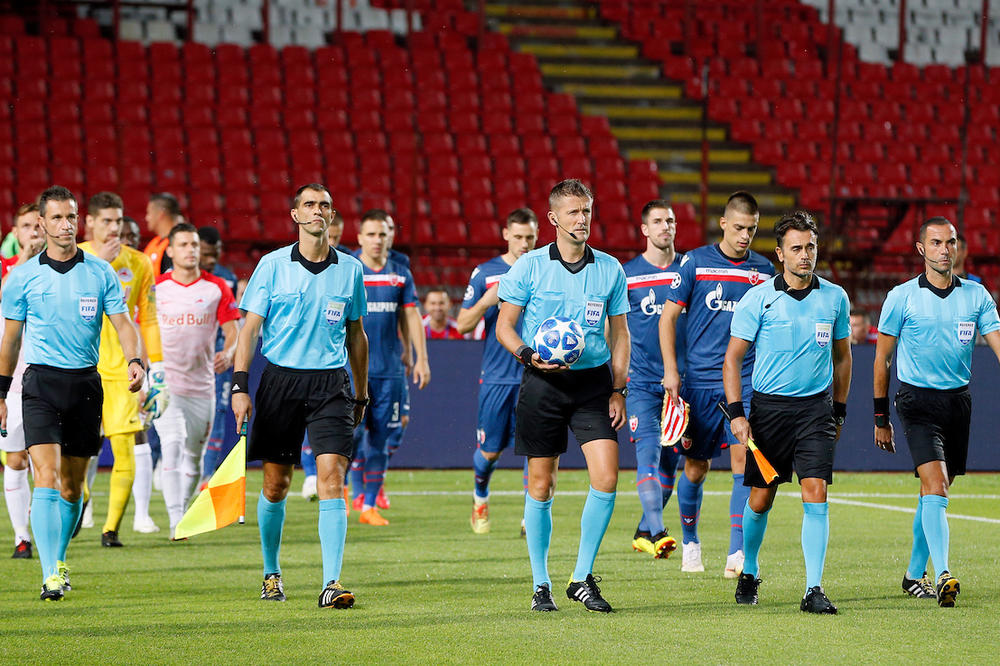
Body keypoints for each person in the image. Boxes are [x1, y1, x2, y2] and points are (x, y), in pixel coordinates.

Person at [0, 185, 145, 601]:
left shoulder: (100, 272)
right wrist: (1, 392)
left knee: (72, 486)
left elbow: (123, 324)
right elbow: (10, 341)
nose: (66, 224)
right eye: (58, 217)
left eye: (72, 216)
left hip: (85, 384)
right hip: (40, 384)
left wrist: (135, 361)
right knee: (44, 476)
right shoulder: (22, 278)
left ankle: (59, 559)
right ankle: (49, 573)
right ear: (41, 224)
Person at [231, 183, 369, 608]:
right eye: (309, 205)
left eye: (324, 205)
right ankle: (271, 573)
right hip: (280, 381)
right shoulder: (271, 266)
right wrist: (239, 386)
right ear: (295, 215)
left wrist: (360, 394)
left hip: (331, 384)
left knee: (332, 478)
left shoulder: (350, 269)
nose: (317, 211)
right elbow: (249, 330)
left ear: (332, 216)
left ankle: (331, 583)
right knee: (276, 485)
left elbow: (356, 335)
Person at [496, 179, 630, 613]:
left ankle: (581, 577)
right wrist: (529, 355)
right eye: (573, 212)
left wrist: (618, 389)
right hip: (543, 384)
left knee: (607, 477)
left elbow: (622, 335)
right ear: (553, 218)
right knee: (542, 483)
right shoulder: (529, 267)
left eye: (587, 211)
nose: (582, 219)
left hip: (593, 383)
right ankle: (541, 583)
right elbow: (504, 326)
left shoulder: (610, 268)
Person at [723, 211, 851, 614]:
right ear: (779, 253)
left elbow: (844, 358)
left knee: (816, 494)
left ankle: (813, 588)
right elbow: (732, 360)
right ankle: (750, 569)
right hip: (769, 411)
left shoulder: (835, 297)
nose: (805, 255)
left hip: (816, 410)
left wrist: (840, 412)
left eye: (810, 247)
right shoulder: (758, 298)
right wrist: (737, 414)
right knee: (760, 499)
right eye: (796, 248)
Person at [873, 216, 1000, 608]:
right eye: (936, 242)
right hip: (916, 402)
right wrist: (881, 418)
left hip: (957, 403)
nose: (945, 249)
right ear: (921, 249)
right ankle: (943, 573)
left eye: (951, 242)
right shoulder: (902, 297)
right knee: (937, 487)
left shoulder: (977, 296)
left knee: (933, 493)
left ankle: (913, 574)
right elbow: (881, 360)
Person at [659, 191, 775, 576]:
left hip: (744, 383)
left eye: (752, 229)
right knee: (695, 467)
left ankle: (737, 553)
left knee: (744, 463)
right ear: (723, 224)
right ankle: (690, 542)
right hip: (699, 384)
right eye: (740, 228)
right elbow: (667, 318)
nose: (745, 236)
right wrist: (672, 370)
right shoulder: (695, 262)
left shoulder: (764, 272)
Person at [79, 192, 167, 547]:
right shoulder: (76, 257)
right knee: (78, 451)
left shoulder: (140, 262)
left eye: (118, 221)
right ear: (91, 223)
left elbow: (146, 317)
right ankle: (79, 501)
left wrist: (155, 366)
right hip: (80, 367)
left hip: (121, 372)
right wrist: (101, 261)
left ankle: (110, 528)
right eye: (107, 221)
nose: (114, 228)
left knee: (125, 449)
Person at [457, 208, 538, 534]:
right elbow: (463, 325)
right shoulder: (486, 273)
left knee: (535, 449)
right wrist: (487, 301)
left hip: (534, 375)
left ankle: (529, 516)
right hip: (496, 377)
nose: (524, 244)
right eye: (518, 237)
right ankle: (480, 497)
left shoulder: (543, 270)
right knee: (490, 451)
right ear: (506, 234)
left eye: (530, 237)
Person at [156, 223, 239, 537]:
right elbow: (140, 330)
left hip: (201, 384)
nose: (191, 250)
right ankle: (176, 521)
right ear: (171, 251)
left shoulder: (216, 287)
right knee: (172, 444)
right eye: (184, 245)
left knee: (194, 455)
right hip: (165, 383)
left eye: (193, 245)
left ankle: (183, 508)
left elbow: (233, 330)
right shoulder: (156, 289)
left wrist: (229, 352)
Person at [350, 210, 430, 525]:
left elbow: (411, 315)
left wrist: (420, 357)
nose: (377, 240)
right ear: (359, 238)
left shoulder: (400, 274)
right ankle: (352, 491)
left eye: (382, 234)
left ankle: (369, 504)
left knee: (382, 438)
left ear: (390, 236)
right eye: (370, 234)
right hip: (353, 370)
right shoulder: (349, 271)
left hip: (390, 371)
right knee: (353, 436)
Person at [622, 200, 686, 559]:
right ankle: (659, 531)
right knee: (647, 455)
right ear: (644, 229)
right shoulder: (628, 275)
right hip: (644, 383)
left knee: (669, 465)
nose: (666, 227)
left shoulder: (690, 269)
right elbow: (615, 331)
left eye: (671, 221)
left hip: (682, 386)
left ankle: (645, 532)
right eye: (658, 221)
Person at [0, 203, 45, 558]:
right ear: (16, 233)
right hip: (13, 382)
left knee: (54, 463)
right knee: (15, 460)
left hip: (53, 378)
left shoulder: (63, 272)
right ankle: (21, 537)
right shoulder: (5, 272)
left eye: (37, 225)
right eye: (26, 226)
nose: (33, 231)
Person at [301, 215, 351, 500]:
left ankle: (335, 479)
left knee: (334, 424)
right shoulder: (294, 264)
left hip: (334, 361)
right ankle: (310, 474)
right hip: (302, 362)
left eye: (337, 233)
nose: (332, 237)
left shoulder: (348, 266)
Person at [196, 225, 241, 487]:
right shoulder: (181, 278)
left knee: (219, 412)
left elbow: (233, 322)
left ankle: (206, 475)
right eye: (206, 254)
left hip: (217, 359)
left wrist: (229, 351)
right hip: (190, 360)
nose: (211, 260)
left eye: (216, 254)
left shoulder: (227, 279)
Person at [143, 192, 182, 276]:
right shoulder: (154, 243)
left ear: (160, 214)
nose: (147, 218)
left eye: (149, 213)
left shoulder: (179, 244)